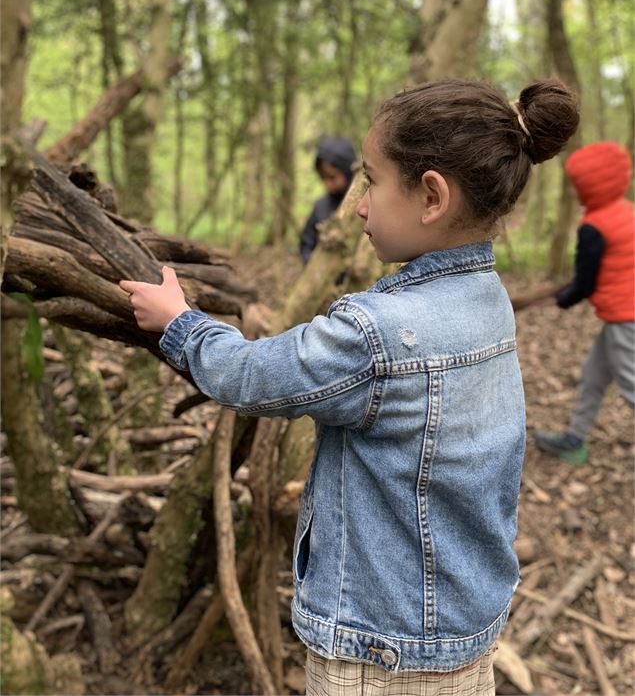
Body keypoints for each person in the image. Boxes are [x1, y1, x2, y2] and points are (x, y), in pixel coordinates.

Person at [120, 79, 578, 694]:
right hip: (463, 634)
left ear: (432, 196)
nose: (359, 204)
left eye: (372, 180)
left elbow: (252, 376)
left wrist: (180, 324)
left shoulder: (377, 334)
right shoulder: (488, 301)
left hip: (376, 653)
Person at [534, 141, 634, 465]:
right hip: (625, 315)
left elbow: (585, 281)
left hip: (625, 319)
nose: (576, 192)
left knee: (631, 386)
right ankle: (574, 439)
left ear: (595, 186)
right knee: (593, 374)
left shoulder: (594, 227)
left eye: (580, 186)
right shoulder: (627, 211)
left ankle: (574, 438)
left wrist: (561, 301)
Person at [299, 136, 357, 263]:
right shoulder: (320, 207)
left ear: (347, 171)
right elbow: (306, 245)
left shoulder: (363, 207)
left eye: (332, 177)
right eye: (323, 178)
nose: (327, 185)